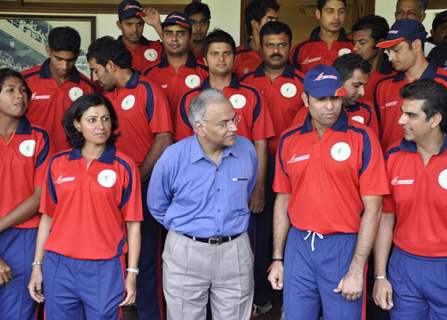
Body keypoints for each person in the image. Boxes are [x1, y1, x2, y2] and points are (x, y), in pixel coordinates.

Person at [267, 65, 389, 320]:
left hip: (343, 245)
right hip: (299, 244)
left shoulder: (363, 138)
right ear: (305, 99)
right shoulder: (289, 140)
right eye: (321, 99)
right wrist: (278, 258)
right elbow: (283, 199)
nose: (330, 106)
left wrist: (357, 268)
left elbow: (374, 209)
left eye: (335, 98)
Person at [27, 93, 142, 320]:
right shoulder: (58, 163)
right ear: (77, 124)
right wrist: (37, 265)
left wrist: (132, 273)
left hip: (105, 266)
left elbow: (134, 225)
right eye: (92, 119)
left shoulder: (124, 165)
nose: (101, 126)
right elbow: (47, 219)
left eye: (106, 119)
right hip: (59, 264)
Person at [147, 89, 257, 320]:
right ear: (200, 127)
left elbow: (246, 192)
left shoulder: (247, 150)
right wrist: (186, 226)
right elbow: (156, 204)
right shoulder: (173, 157)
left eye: (234, 119)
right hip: (186, 251)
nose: (234, 128)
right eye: (224, 123)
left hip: (234, 250)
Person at [373, 79, 447, 319]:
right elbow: (386, 218)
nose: (401, 121)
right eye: (402, 113)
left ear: (435, 119)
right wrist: (380, 276)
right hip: (403, 265)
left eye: (411, 115)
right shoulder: (393, 156)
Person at [87, 36, 172, 320]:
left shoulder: (148, 90)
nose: (94, 77)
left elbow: (163, 139)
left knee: (146, 259)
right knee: (113, 254)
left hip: (144, 186)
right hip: (108, 189)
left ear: (111, 65)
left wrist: (138, 177)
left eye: (96, 70)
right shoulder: (102, 98)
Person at [240, 20, 304, 317]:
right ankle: (262, 294)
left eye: (281, 45)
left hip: (297, 170)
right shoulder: (246, 83)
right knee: (259, 235)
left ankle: (295, 296)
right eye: (270, 45)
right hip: (258, 170)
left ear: (289, 47)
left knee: (296, 233)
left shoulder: (304, 82)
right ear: (259, 46)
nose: (276, 51)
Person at [176, 29, 274, 219]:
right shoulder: (190, 99)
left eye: (226, 53)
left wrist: (259, 187)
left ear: (234, 58)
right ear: (204, 60)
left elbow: (261, 144)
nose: (221, 59)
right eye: (214, 54)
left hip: (243, 180)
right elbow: (183, 147)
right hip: (201, 182)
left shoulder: (251, 95)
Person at [374, 19, 447, 150]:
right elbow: (376, 138)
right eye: (388, 52)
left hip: (436, 167)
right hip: (393, 166)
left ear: (416, 45)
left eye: (396, 50)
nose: (390, 58)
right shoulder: (383, 87)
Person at [0, 68, 50, 320]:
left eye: (23, 91)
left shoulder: (39, 137)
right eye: (10, 90)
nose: (20, 96)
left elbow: (40, 195)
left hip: (25, 236)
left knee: (18, 312)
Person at [22, 26, 95, 153]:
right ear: (48, 51)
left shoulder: (88, 88)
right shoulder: (24, 82)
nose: (64, 66)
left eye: (71, 60)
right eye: (59, 59)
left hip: (71, 161)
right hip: (31, 157)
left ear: (77, 54)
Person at [143, 12, 208, 119]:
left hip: (195, 135)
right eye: (169, 33)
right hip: (159, 135)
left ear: (190, 37)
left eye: (180, 33)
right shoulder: (148, 73)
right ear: (163, 36)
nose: (174, 38)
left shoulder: (205, 72)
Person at [291, 0, 353, 73]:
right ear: (318, 14)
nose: (336, 17)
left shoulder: (355, 45)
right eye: (330, 11)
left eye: (341, 12)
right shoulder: (300, 49)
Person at [352, 15, 394, 105]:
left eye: (362, 43)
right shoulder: (351, 73)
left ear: (380, 43)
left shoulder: (394, 74)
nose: (355, 48)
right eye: (354, 43)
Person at [333, 53, 379, 136]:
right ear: (338, 82)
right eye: (356, 85)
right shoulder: (321, 108)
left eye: (364, 85)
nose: (362, 92)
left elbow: (373, 144)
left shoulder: (367, 108)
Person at [233, 0, 280, 76]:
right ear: (255, 24)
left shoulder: (280, 54)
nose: (275, 24)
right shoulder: (236, 56)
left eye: (276, 20)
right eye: (270, 20)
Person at [117, 0, 164, 73]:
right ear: (119, 25)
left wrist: (157, 25)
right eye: (129, 24)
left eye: (139, 24)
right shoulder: (110, 51)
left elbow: (180, 53)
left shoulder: (157, 47)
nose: (135, 29)